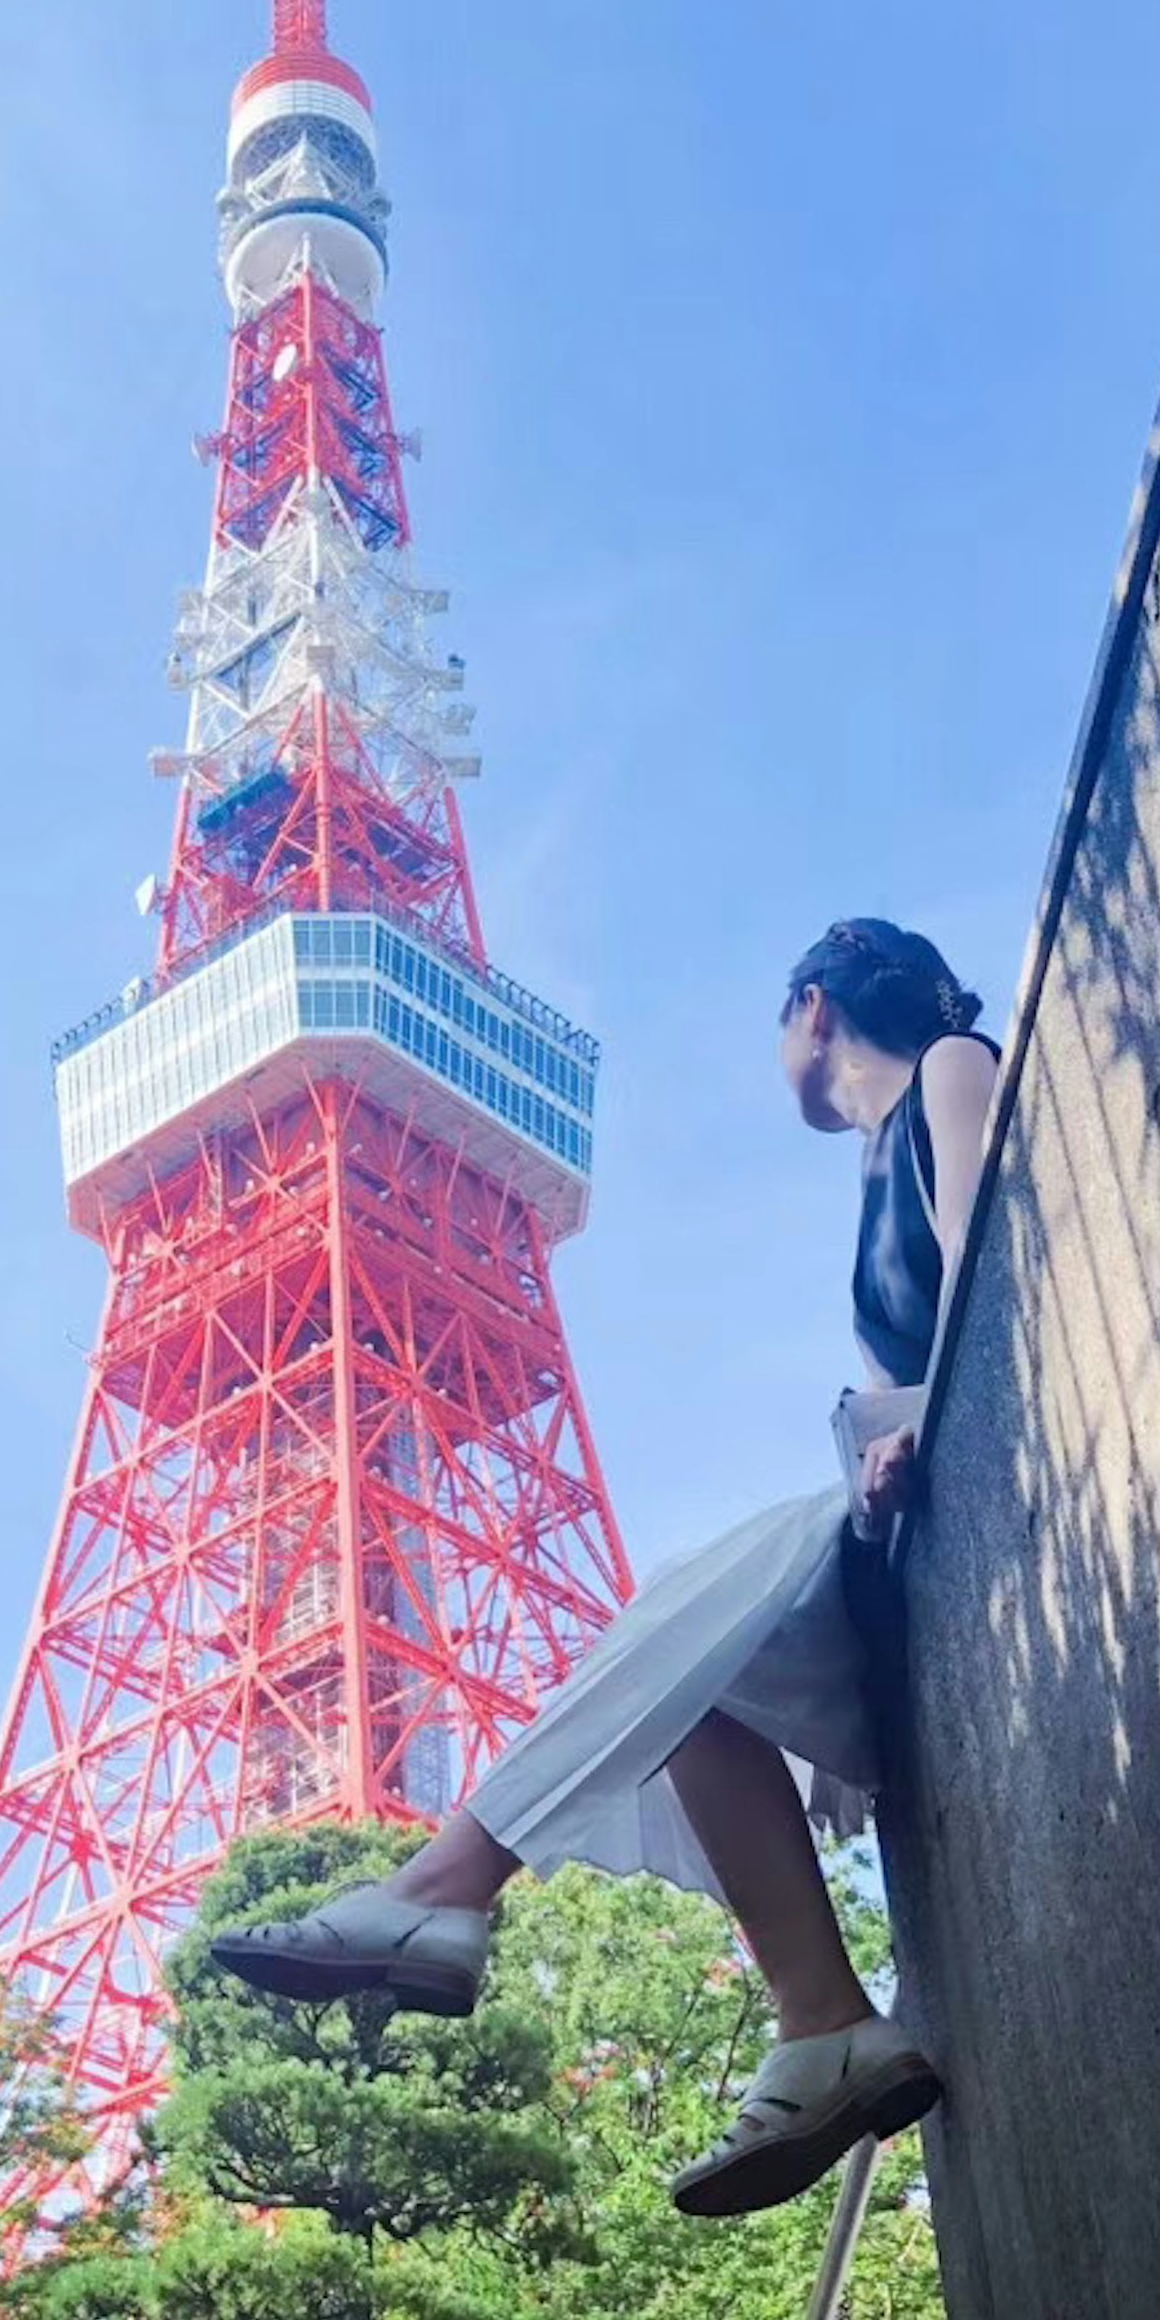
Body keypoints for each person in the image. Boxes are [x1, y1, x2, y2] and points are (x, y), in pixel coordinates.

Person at [211, 918, 1001, 2219]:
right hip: (895, 1506)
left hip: (939, 1457)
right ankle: (824, 2023)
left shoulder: (953, 1070)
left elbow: (985, 1267)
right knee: (692, 1671)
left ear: (813, 1011)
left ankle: (441, 1888)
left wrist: (916, 1425)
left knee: (689, 1597)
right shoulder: (871, 1163)